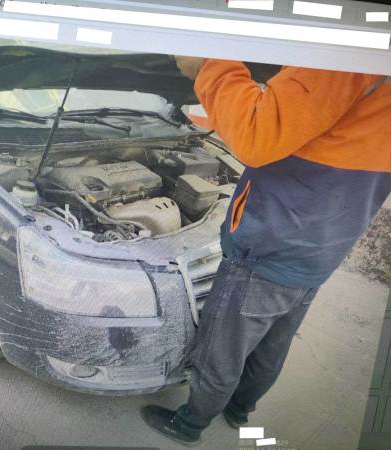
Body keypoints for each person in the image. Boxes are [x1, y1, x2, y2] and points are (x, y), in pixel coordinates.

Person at [141, 57, 391, 446]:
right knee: (273, 343)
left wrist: (210, 64)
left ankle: (191, 423)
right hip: (322, 250)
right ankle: (240, 410)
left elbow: (256, 136)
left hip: (272, 245)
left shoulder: (343, 58)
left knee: (222, 348)